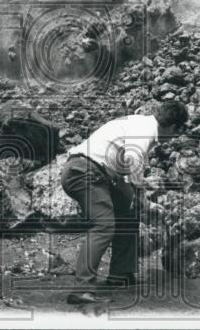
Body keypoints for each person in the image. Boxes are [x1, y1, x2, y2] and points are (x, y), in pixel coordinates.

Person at [59, 102, 189, 304]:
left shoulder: (141, 125)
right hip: (84, 171)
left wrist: (139, 202)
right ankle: (81, 289)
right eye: (175, 135)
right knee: (103, 225)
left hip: (99, 173)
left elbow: (123, 173)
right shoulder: (145, 131)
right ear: (174, 128)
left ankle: (121, 275)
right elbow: (133, 160)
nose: (171, 140)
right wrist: (142, 196)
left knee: (128, 213)